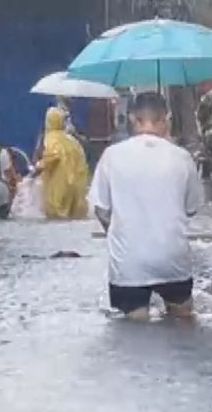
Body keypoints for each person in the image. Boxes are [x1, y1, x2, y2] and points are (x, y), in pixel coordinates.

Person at [87, 92, 204, 320]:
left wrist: (117, 232)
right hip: (173, 259)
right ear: (166, 119)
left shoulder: (111, 156)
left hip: (129, 264)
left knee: (135, 329)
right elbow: (191, 209)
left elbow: (101, 209)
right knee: (182, 317)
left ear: (132, 119)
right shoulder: (182, 157)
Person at [35, 107, 89, 219]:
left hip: (58, 186)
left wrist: (37, 167)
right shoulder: (72, 140)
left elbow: (52, 157)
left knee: (56, 218)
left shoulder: (51, 139)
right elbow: (83, 163)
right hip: (76, 187)